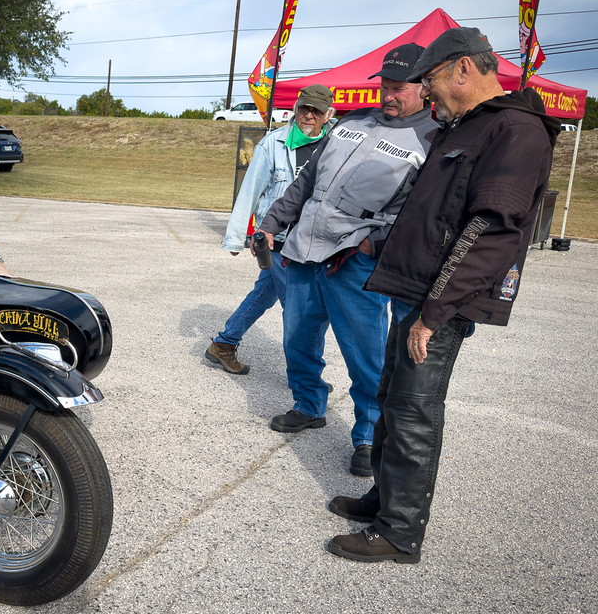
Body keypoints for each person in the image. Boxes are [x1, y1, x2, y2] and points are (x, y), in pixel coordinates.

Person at [326, 28, 561, 563]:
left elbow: (490, 228)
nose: (426, 90)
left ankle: (400, 531)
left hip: (440, 301)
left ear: (463, 68)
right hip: (414, 290)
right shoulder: (467, 125)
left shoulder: (514, 130)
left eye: (429, 78)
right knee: (392, 398)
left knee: (414, 410)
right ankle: (384, 497)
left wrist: (434, 313)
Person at [257, 43, 438, 477]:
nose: (388, 95)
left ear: (425, 88)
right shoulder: (352, 121)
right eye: (385, 86)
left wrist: (373, 244)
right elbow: (306, 183)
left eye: (398, 88)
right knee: (297, 338)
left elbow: (420, 211)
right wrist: (272, 222)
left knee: (365, 355)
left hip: (354, 261)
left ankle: (368, 436)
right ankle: (308, 405)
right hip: (304, 249)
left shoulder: (431, 139)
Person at [205, 85, 334, 375]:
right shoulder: (272, 144)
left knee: (266, 292)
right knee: (301, 310)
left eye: (316, 111)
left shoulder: (337, 143)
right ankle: (305, 376)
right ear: (295, 109)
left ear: (328, 115)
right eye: (304, 108)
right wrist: (236, 238)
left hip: (315, 240)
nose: (309, 115)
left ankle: (224, 343)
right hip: (279, 240)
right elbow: (250, 190)